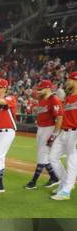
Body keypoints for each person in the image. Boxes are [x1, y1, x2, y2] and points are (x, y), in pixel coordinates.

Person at [24, 80, 63, 190]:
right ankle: (54, 178)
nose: (39, 91)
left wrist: (54, 135)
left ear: (48, 88)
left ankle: (33, 181)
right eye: (39, 89)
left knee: (42, 155)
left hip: (49, 129)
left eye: (41, 89)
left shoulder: (54, 100)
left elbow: (60, 118)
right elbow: (33, 95)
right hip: (41, 129)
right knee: (43, 155)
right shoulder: (41, 99)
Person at [50, 72, 77, 200]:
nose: (67, 82)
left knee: (71, 160)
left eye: (69, 80)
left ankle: (66, 190)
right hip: (64, 132)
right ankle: (65, 183)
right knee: (52, 157)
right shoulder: (68, 97)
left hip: (74, 132)